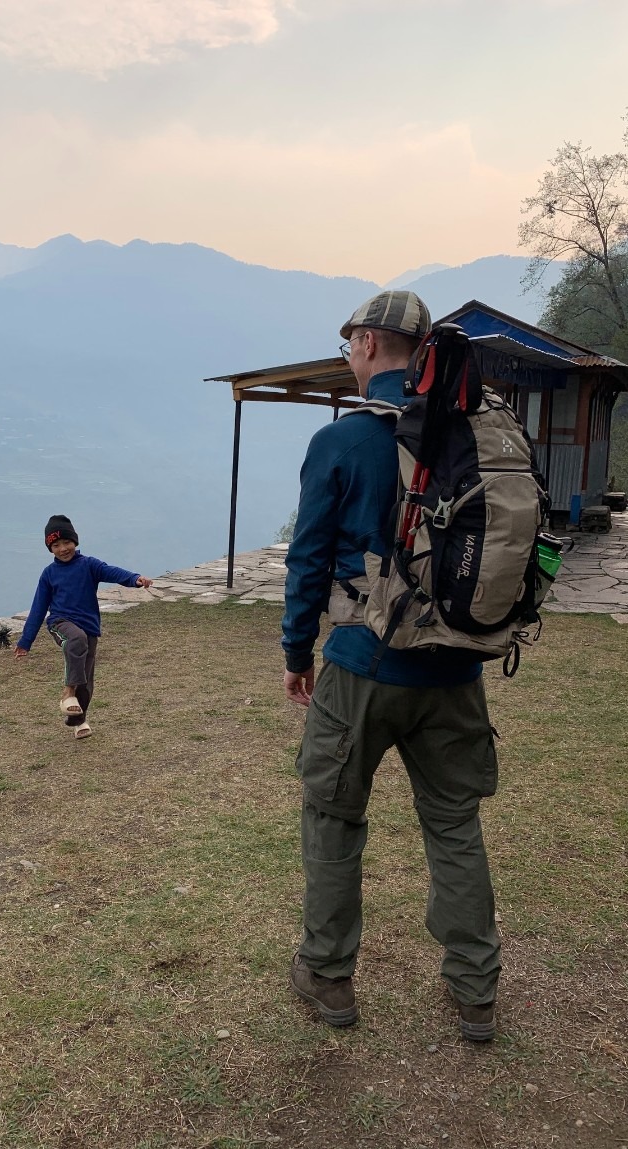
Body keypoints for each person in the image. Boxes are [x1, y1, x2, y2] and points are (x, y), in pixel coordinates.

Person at [282, 290, 501, 1042]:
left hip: (361, 665)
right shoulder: (471, 431)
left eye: (349, 343)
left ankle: (330, 976)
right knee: (453, 825)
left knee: (334, 816)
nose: (346, 355)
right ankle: (476, 991)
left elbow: (309, 558)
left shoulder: (345, 441)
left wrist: (294, 653)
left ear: (372, 345)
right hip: (457, 671)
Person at [14, 515, 153, 740]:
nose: (63, 549)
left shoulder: (89, 565)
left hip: (88, 627)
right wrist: (25, 641)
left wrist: (135, 578)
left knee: (87, 681)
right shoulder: (49, 574)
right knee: (76, 639)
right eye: (56, 545)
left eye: (66, 542)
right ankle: (67, 693)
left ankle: (78, 720)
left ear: (75, 542)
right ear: (50, 549)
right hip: (60, 623)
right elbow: (38, 608)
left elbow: (112, 572)